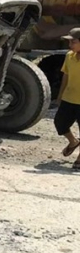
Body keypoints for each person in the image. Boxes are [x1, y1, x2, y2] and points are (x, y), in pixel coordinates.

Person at [54, 27, 80, 168]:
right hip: (69, 98)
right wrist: (60, 96)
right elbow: (66, 75)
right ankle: (73, 141)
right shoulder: (69, 56)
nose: (70, 45)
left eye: (73, 42)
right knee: (60, 123)